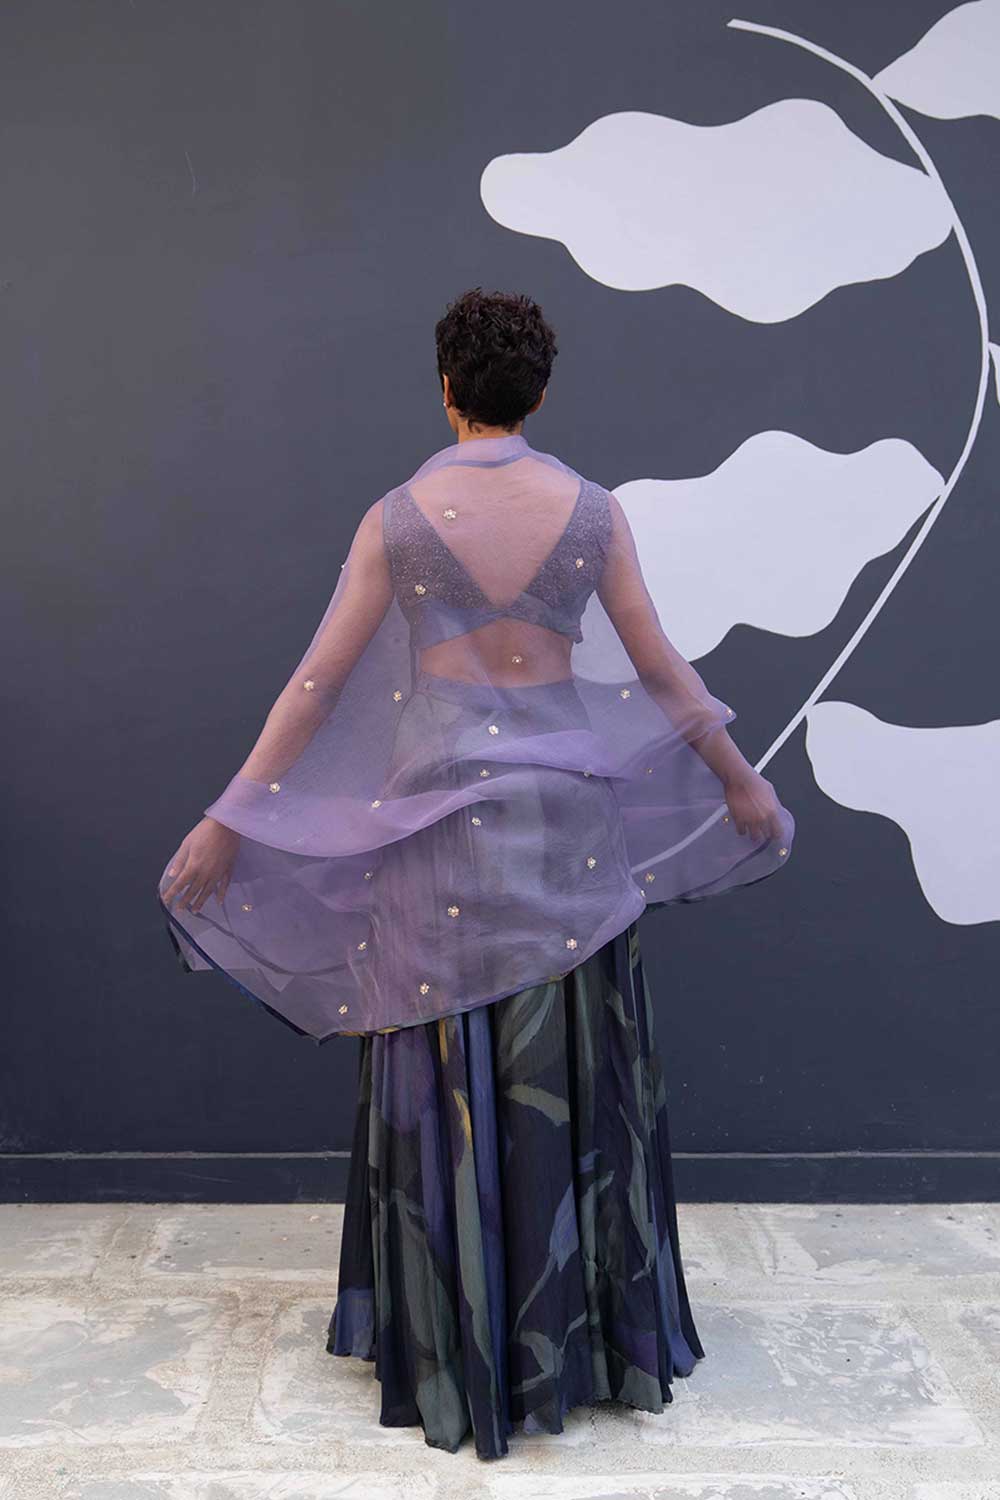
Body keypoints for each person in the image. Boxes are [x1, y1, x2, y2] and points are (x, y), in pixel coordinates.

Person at [159, 287, 793, 1459]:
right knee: (569, 1071)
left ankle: (454, 1344)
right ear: (538, 391)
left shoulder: (397, 520)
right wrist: (738, 779)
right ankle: (582, 1344)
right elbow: (661, 666)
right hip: (565, 829)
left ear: (448, 390)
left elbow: (316, 684)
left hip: (433, 833)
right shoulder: (591, 512)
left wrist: (229, 817)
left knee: (443, 1066)